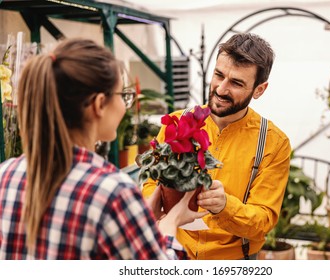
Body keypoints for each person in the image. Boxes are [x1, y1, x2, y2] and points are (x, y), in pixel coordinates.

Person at [0, 38, 206, 259]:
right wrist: (171, 221)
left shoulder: (5, 174)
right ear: (99, 104)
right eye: (122, 96)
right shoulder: (112, 192)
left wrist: (141, 216)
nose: (124, 106)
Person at [142, 33, 291, 260]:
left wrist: (225, 206)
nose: (221, 89)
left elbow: (263, 220)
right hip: (175, 251)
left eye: (236, 83)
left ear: (259, 90)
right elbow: (153, 183)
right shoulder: (176, 123)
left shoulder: (273, 142)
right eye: (218, 75)